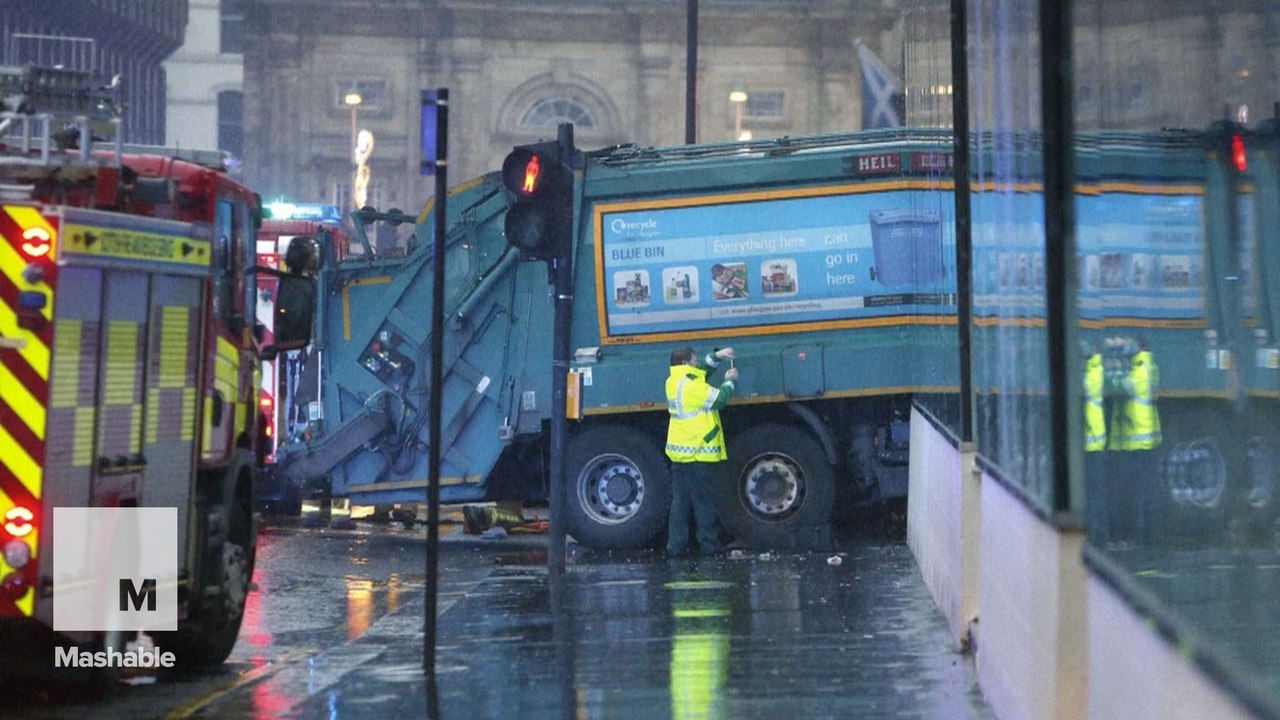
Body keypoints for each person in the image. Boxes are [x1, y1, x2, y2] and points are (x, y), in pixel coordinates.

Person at [665, 346, 739, 557]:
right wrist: (730, 381)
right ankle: (709, 545)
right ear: (685, 363)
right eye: (694, 360)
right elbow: (719, 399)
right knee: (704, 503)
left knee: (679, 504)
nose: (697, 362)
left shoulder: (674, 381)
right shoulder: (691, 387)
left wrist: (717, 356)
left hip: (680, 454)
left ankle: (676, 547)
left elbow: (702, 372)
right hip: (698, 453)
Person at [1108, 335, 1161, 543]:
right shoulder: (1147, 366)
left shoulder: (1141, 370)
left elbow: (1124, 386)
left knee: (1140, 490)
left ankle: (1144, 533)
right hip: (1145, 438)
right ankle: (1147, 531)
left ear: (1140, 348)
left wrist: (1111, 375)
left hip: (1140, 440)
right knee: (1145, 489)